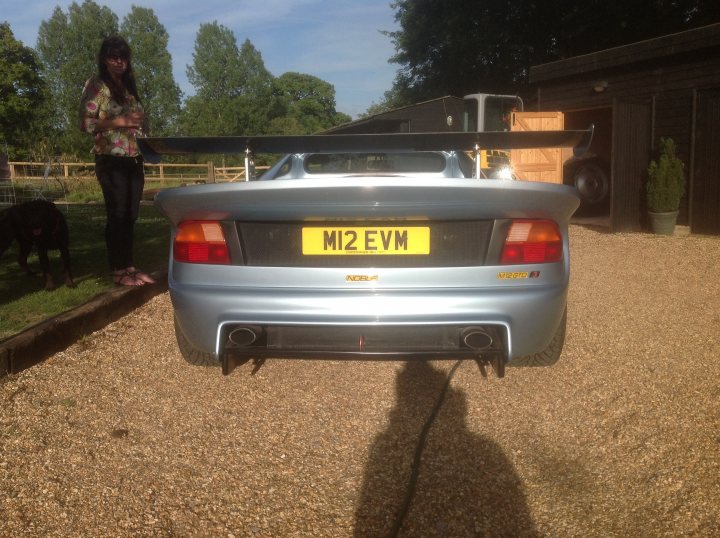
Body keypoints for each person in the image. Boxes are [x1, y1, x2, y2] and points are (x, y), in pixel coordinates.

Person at [79, 35, 155, 286]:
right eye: (114, 56)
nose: (119, 61)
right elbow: (85, 123)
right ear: (104, 59)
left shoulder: (129, 88)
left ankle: (129, 267)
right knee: (118, 215)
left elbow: (139, 121)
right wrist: (118, 122)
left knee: (131, 215)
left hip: (134, 158)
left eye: (123, 56)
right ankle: (118, 270)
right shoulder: (97, 86)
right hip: (110, 160)